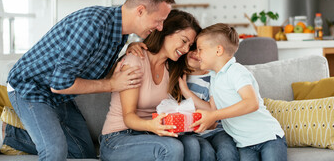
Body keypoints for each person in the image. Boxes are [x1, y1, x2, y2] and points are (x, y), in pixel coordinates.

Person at [3, 0, 175, 160]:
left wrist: (126, 53)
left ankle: (11, 135)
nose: (160, 27)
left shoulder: (119, 33)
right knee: (54, 151)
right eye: (159, 20)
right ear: (140, 11)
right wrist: (111, 85)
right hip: (30, 87)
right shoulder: (93, 26)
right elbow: (60, 84)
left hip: (58, 93)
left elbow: (92, 67)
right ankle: (14, 134)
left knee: (84, 152)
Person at [100, 9, 201, 161]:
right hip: (118, 137)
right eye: (184, 41)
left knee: (192, 143)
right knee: (171, 147)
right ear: (166, 31)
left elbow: (207, 61)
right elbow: (128, 117)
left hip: (150, 134)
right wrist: (152, 126)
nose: (186, 49)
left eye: (190, 45)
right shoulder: (135, 61)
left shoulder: (172, 67)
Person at [192, 23, 287, 161]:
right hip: (244, 144)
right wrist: (205, 118)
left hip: (268, 137)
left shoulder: (236, 71)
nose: (197, 53)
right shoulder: (214, 77)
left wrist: (213, 115)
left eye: (200, 49)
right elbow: (213, 110)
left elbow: (251, 103)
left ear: (218, 50)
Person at [178, 48, 240, 161]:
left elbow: (212, 111)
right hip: (193, 134)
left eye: (200, 50)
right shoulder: (179, 77)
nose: (195, 53)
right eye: (192, 49)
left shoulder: (214, 77)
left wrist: (186, 92)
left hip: (217, 131)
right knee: (206, 153)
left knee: (227, 152)